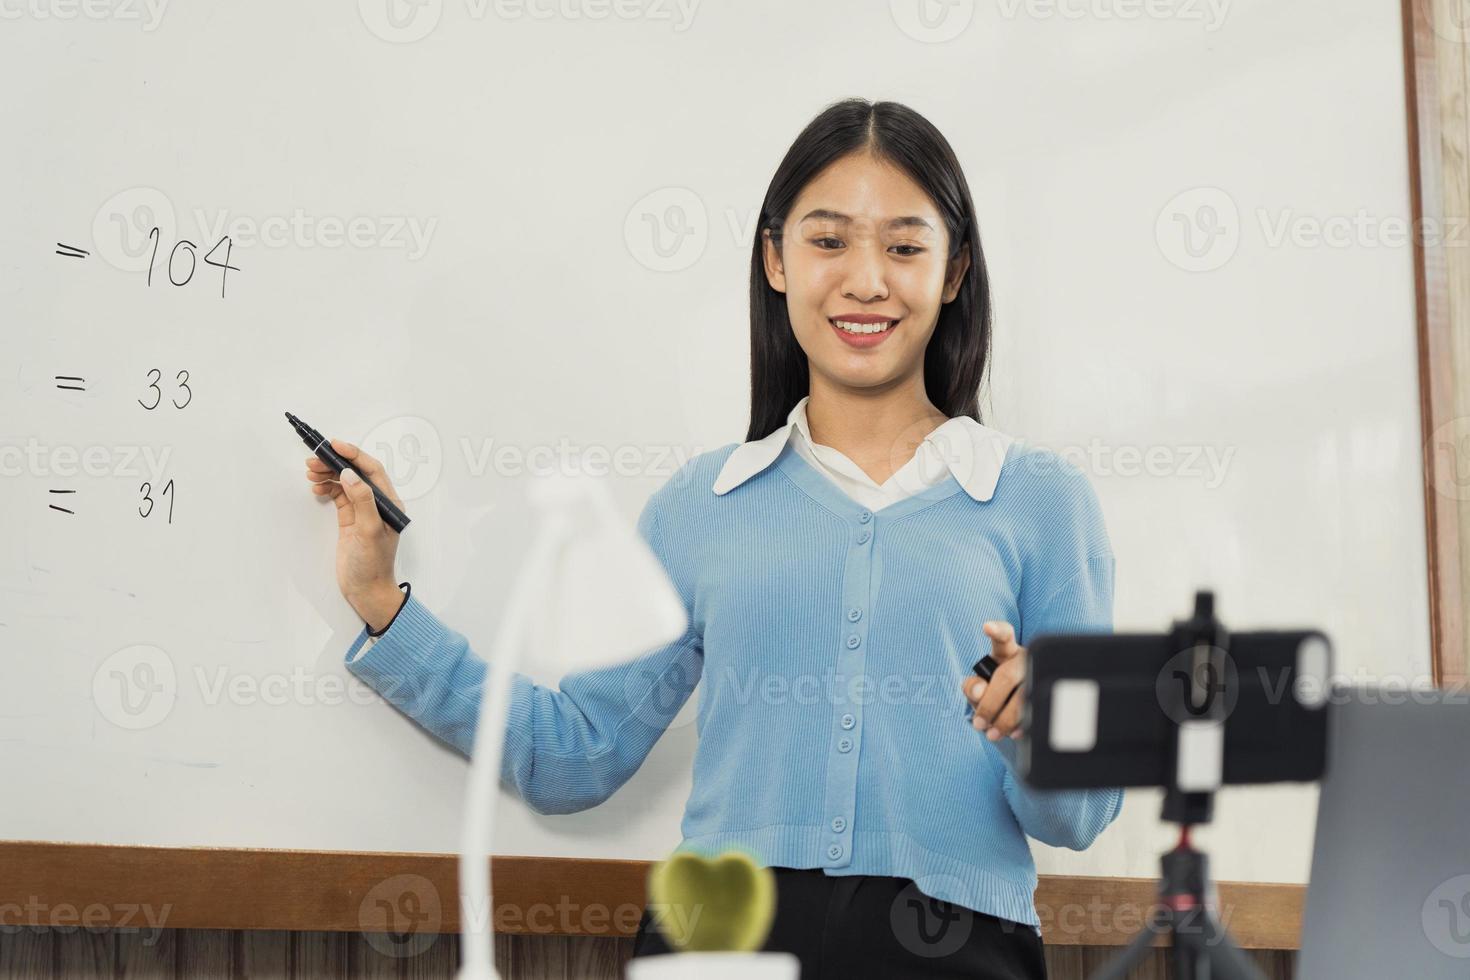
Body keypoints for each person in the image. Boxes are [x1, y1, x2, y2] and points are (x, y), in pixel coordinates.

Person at [303, 97, 1123, 979]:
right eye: (829, 240)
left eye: (905, 247)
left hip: (962, 955)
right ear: (775, 259)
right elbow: (573, 755)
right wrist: (384, 607)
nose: (867, 280)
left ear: (955, 271)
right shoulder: (705, 503)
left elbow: (1080, 818)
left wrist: (1044, 734)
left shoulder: (1039, 501)